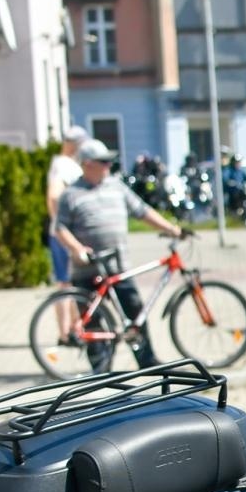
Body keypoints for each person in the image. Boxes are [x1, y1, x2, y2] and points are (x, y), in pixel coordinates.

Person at [54, 138, 185, 370]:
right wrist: (77, 249)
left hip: (118, 267)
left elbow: (142, 211)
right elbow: (59, 228)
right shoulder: (71, 194)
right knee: (93, 321)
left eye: (108, 162)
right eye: (102, 162)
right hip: (86, 269)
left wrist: (171, 229)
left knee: (135, 311)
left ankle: (147, 361)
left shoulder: (116, 186)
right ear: (86, 164)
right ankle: (100, 370)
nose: (107, 166)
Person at [46, 126, 87, 303]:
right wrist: (62, 225)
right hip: (65, 235)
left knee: (65, 283)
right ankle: (68, 330)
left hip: (61, 233)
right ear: (75, 145)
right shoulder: (65, 165)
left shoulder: (60, 162)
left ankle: (68, 329)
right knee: (67, 285)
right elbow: (53, 196)